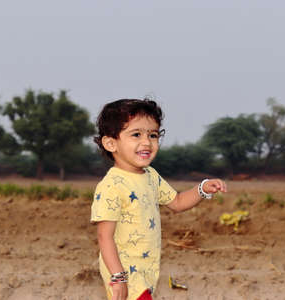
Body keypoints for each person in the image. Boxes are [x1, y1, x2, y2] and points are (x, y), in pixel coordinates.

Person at [91, 99, 227, 300]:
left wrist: (202, 188)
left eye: (153, 135)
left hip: (148, 268)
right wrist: (118, 277)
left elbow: (178, 202)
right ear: (111, 143)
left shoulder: (151, 176)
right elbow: (105, 236)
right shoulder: (111, 186)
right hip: (125, 271)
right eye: (136, 134)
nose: (146, 142)